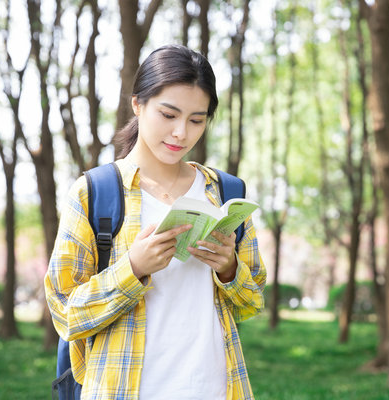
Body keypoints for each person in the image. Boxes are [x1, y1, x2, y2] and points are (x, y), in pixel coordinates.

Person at [44, 44, 266, 400]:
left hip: (214, 388)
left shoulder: (224, 192)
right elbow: (67, 315)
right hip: (123, 389)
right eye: (168, 114)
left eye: (197, 120)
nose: (181, 132)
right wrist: (132, 268)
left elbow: (251, 302)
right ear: (138, 104)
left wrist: (228, 269)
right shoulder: (95, 192)